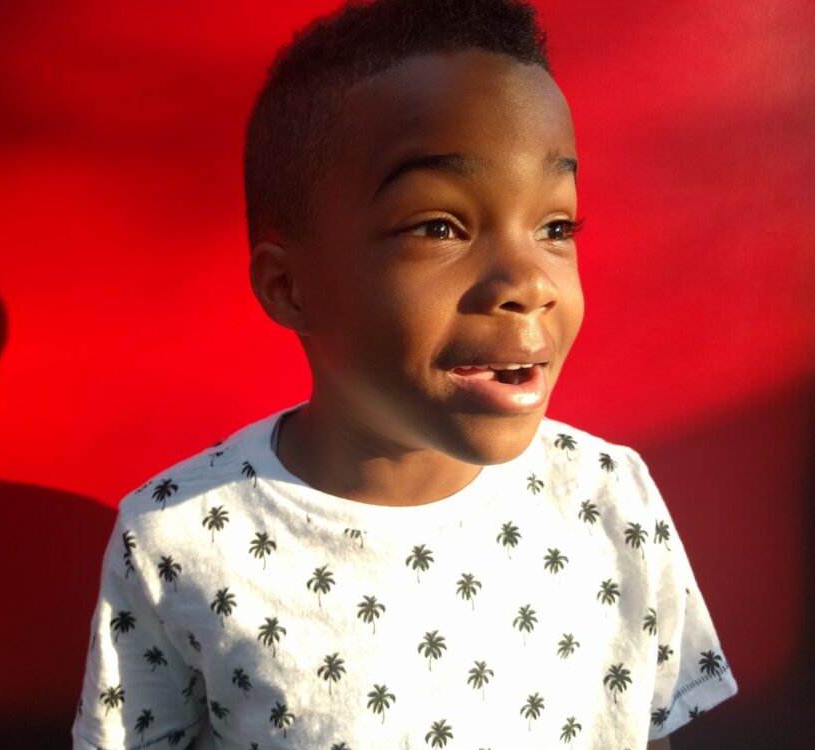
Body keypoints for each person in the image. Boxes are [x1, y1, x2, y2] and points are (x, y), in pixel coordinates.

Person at [72, 0, 737, 747]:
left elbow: (643, 728)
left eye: (556, 227)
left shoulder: (611, 496)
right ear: (290, 287)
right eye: (438, 227)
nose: (530, 282)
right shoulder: (174, 536)